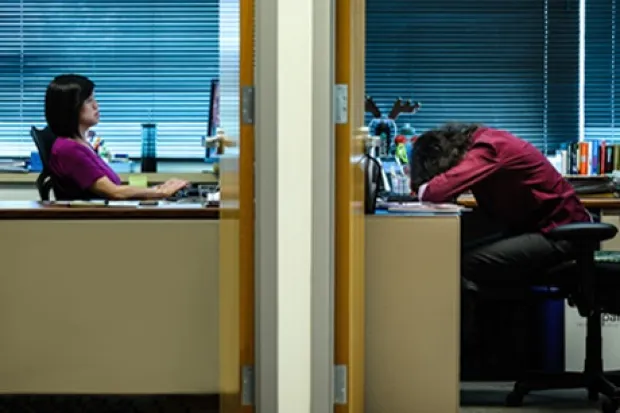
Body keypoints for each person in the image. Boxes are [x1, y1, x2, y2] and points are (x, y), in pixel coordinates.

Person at [45, 74, 189, 200]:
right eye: (89, 101)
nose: (96, 105)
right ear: (71, 108)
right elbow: (114, 192)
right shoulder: (69, 150)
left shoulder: (81, 145)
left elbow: (115, 188)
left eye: (94, 99)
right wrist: (161, 192)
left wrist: (158, 189)